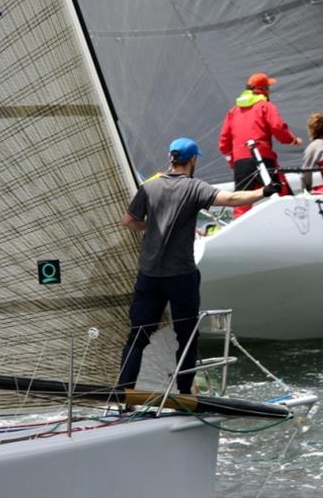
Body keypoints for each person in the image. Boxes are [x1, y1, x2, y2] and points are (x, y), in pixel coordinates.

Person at [118, 137, 281, 395]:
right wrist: (264, 191)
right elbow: (232, 198)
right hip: (181, 277)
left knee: (138, 336)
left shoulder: (149, 187)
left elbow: (128, 220)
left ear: (172, 158)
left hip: (149, 275)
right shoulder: (195, 188)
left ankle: (122, 393)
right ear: (192, 160)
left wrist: (151, 227)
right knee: (187, 338)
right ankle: (185, 396)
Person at [218, 72, 303, 218]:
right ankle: (292, 226)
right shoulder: (265, 106)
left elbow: (224, 142)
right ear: (262, 89)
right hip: (262, 159)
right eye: (268, 88)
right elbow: (277, 127)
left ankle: (238, 235)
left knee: (241, 205)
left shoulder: (233, 111)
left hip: (240, 163)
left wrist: (233, 161)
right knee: (281, 194)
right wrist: (292, 140)